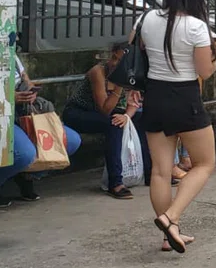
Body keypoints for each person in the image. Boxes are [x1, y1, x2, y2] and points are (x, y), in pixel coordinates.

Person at [135, 0, 216, 254]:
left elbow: (138, 51)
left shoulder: (146, 18)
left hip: (155, 94)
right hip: (184, 96)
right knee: (204, 164)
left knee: (160, 171)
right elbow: (204, 71)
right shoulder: (197, 28)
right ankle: (170, 218)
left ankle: (169, 235)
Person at [0, 36, 82, 208]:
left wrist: (30, 93)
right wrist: (9, 98)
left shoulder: (11, 55)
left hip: (22, 114)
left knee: (71, 141)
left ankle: (29, 175)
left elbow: (26, 82)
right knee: (24, 153)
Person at [62, 42, 154, 200]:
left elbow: (134, 103)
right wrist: (119, 85)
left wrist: (126, 116)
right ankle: (116, 183)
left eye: (120, 61)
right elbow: (104, 109)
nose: (114, 63)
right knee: (114, 124)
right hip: (80, 113)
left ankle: (150, 172)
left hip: (114, 113)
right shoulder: (98, 72)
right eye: (114, 58)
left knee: (142, 119)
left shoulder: (133, 75)